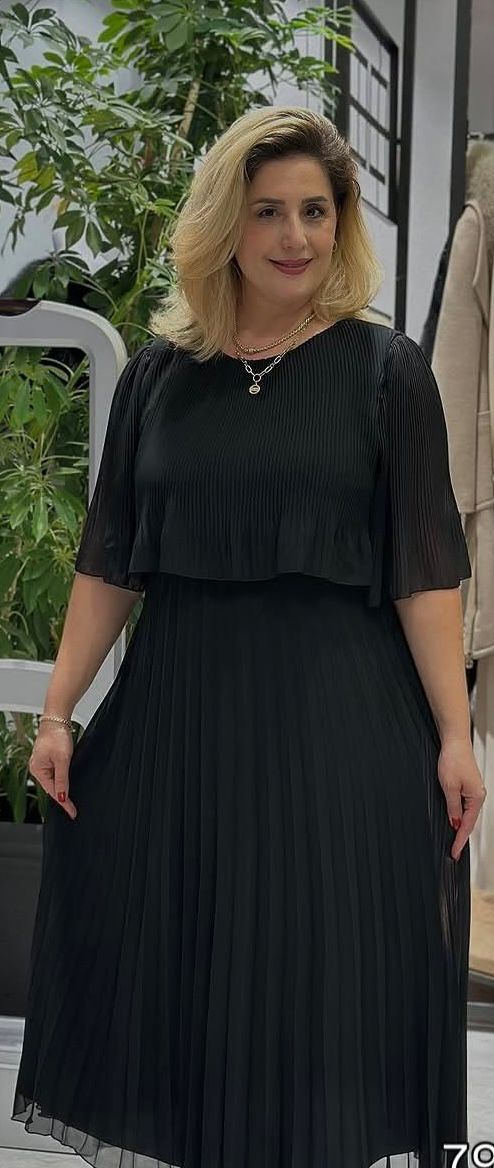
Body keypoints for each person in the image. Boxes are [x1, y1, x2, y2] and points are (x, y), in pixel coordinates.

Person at [11, 106, 485, 1168]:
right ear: (225, 222)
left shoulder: (387, 372)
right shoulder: (158, 375)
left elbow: (425, 573)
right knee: (181, 975)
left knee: (315, 979)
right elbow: (109, 556)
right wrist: (57, 709)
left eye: (316, 211)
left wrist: (455, 736)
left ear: (341, 223)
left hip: (338, 723)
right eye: (268, 210)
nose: (294, 236)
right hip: (180, 717)